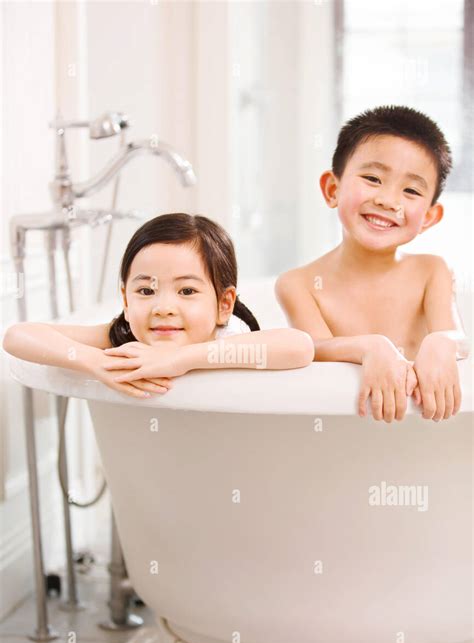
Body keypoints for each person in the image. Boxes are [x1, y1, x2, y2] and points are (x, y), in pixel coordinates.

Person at [275, 105, 469, 423]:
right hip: (345, 429)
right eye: (372, 178)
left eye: (410, 190)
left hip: (419, 431)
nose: (388, 200)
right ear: (332, 189)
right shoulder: (298, 283)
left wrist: (441, 341)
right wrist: (371, 348)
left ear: (429, 218)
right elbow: (312, 348)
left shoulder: (432, 270)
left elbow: (457, 338)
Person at [3, 213, 314, 399]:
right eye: (146, 290)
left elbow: (299, 346)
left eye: (187, 290)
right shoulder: (126, 340)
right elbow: (18, 335)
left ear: (224, 304)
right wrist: (96, 363)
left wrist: (181, 358)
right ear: (125, 300)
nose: (163, 307)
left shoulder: (228, 336)